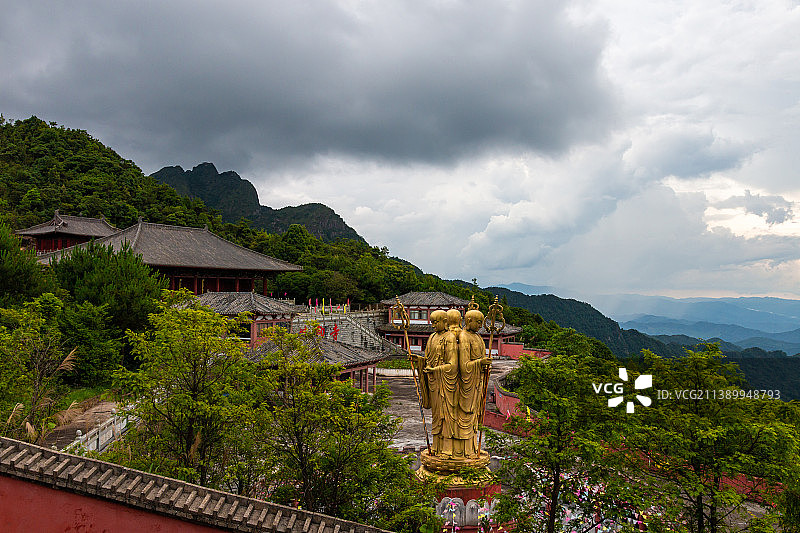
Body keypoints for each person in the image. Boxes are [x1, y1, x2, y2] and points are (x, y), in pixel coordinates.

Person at [413, 310, 459, 457]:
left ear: (445, 322)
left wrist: (435, 369)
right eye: (431, 322)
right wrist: (418, 361)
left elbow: (453, 364)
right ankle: (437, 446)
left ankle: (448, 448)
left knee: (446, 415)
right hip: (433, 381)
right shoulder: (432, 337)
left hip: (446, 383)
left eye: (435, 322)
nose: (433, 325)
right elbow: (427, 360)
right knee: (436, 416)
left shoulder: (450, 338)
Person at [457, 309, 490, 457]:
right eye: (478, 322)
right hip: (468, 382)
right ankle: (462, 449)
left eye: (481, 323)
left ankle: (472, 447)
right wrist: (480, 362)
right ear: (469, 321)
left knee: (475, 416)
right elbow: (464, 366)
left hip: (478, 381)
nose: (480, 326)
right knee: (466, 415)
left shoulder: (477, 337)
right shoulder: (464, 337)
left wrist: (485, 365)